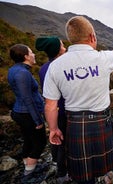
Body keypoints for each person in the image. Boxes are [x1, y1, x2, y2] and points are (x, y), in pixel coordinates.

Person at [43, 16, 113, 184]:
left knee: (81, 170)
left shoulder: (55, 66)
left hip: (75, 125)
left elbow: (50, 105)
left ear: (71, 39)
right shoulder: (104, 58)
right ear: (92, 37)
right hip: (102, 121)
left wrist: (53, 129)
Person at [7, 44, 47, 182]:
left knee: (29, 140)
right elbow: (27, 99)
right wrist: (38, 121)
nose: (34, 54)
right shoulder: (23, 73)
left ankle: (28, 166)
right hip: (27, 114)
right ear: (26, 56)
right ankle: (28, 175)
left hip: (20, 112)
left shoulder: (14, 69)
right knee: (40, 142)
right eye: (31, 52)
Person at [35, 36, 70, 183]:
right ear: (57, 49)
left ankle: (55, 161)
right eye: (62, 45)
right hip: (63, 110)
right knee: (64, 141)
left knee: (55, 136)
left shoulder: (44, 68)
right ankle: (62, 174)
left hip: (51, 110)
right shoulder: (60, 66)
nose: (64, 46)